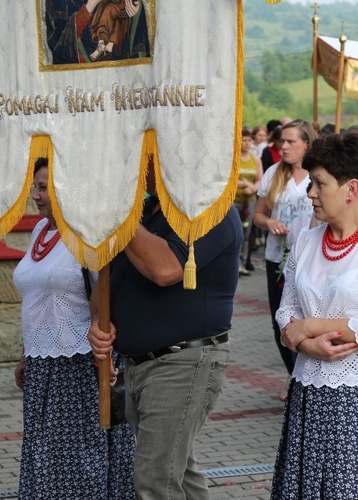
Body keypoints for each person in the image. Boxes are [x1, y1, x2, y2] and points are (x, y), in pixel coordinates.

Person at [88, 160, 242, 499]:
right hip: (141, 364)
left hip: (182, 362)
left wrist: (119, 213)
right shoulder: (145, 212)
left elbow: (165, 268)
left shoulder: (209, 210)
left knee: (155, 479)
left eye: (148, 156)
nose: (138, 165)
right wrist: (99, 323)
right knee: (178, 473)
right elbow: (106, 278)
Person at [273, 132, 358, 498]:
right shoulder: (306, 240)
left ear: (351, 189)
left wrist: (310, 326)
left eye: (319, 184)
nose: (311, 193)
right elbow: (286, 308)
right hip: (309, 390)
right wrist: (305, 343)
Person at [13, 157, 135, 499]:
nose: (35, 196)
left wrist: (109, 358)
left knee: (80, 458)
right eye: (34, 187)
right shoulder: (41, 230)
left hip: (81, 364)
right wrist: (26, 354)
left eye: (43, 188)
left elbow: (111, 297)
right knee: (44, 455)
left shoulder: (89, 234)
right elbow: (37, 299)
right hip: (41, 367)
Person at [254, 119, 317, 398]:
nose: (285, 146)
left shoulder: (318, 175)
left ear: (307, 143)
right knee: (280, 318)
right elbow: (258, 214)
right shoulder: (273, 173)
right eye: (283, 141)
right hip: (277, 257)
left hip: (310, 258)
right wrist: (269, 224)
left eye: (292, 141)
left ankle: (307, 376)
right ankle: (293, 376)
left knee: (307, 316)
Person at [235, 127, 264, 276]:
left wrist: (252, 187)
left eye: (248, 140)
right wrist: (243, 184)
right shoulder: (233, 158)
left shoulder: (255, 159)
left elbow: (260, 179)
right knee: (234, 233)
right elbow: (228, 180)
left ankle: (242, 263)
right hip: (234, 201)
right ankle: (232, 265)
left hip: (250, 201)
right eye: (243, 140)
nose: (246, 143)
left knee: (246, 233)